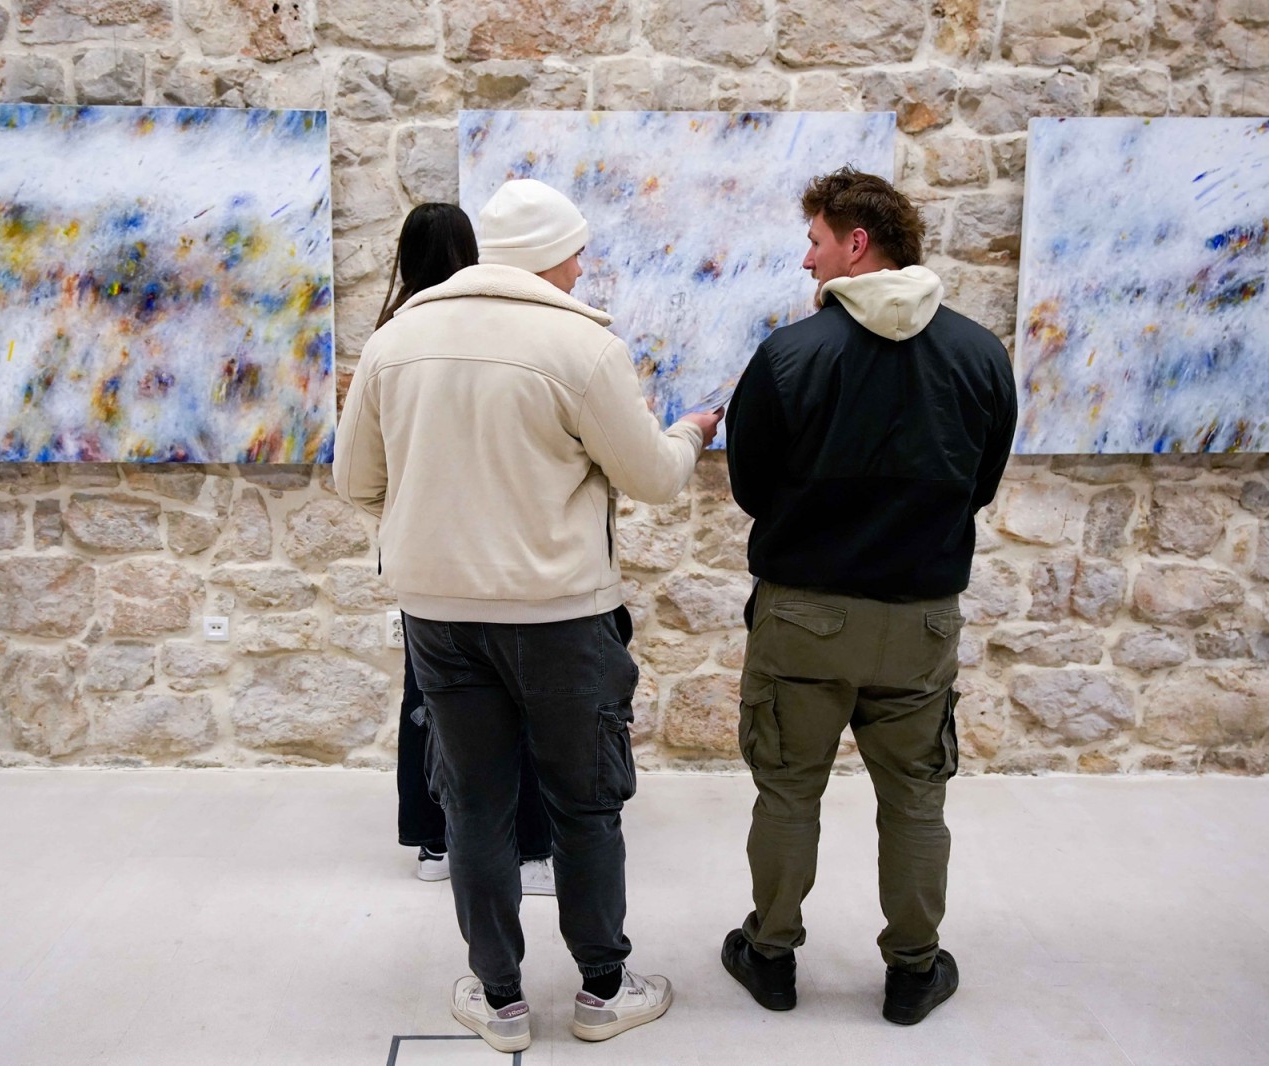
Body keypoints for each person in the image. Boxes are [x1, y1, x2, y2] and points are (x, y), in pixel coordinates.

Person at [335, 178, 721, 1054]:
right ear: (550, 256)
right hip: (561, 618)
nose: (583, 267)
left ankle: (500, 1000)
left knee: (474, 807)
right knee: (585, 806)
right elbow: (654, 478)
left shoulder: (396, 341)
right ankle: (603, 992)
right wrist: (690, 431)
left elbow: (355, 482)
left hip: (440, 619)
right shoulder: (582, 346)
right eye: (577, 251)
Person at [719, 167, 1016, 1026]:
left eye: (815, 240)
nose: (806, 258)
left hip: (803, 617)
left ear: (856, 243)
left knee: (788, 790)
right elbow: (980, 483)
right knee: (917, 798)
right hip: (919, 620)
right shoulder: (979, 354)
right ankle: (914, 973)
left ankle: (771, 957)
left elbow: (751, 486)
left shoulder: (789, 355)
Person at [374, 202, 555, 897]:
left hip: (424, 550)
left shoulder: (393, 335)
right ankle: (531, 849)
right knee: (524, 697)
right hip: (500, 542)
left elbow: (369, 469)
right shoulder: (497, 328)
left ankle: (433, 841)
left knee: (427, 698)